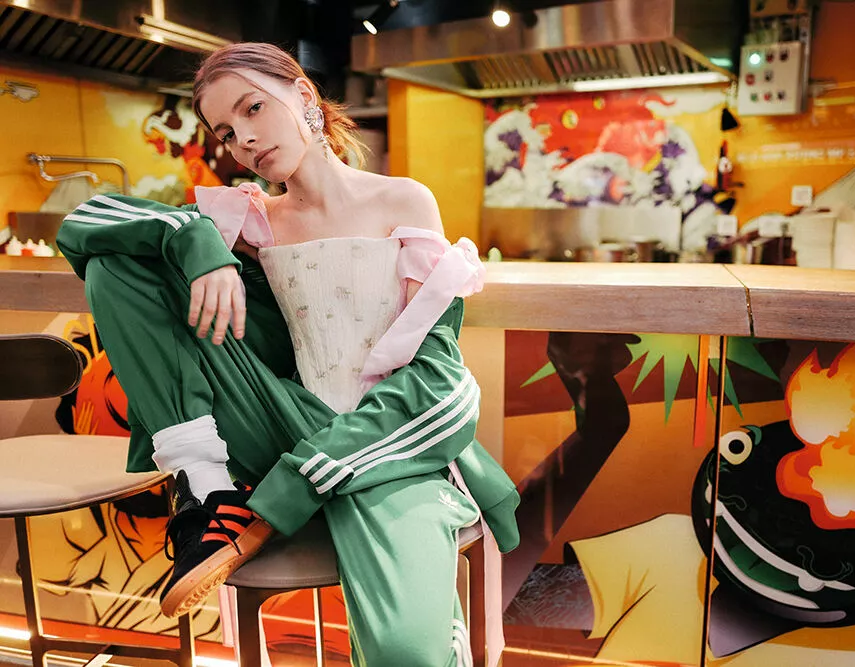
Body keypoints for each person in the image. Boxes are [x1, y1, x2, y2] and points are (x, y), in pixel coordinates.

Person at [56, 42, 519, 667]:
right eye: (226, 132)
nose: (244, 140)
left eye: (253, 108)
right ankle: (206, 489)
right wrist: (200, 245)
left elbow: (435, 374)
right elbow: (86, 223)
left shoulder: (403, 201)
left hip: (392, 443)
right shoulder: (247, 223)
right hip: (280, 417)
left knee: (407, 652)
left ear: (303, 97)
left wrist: (287, 492)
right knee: (115, 264)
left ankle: (279, 504)